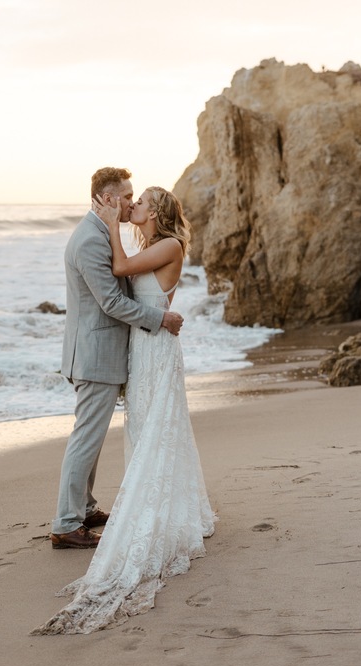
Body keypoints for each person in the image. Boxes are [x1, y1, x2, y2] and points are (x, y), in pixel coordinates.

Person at [31, 186, 216, 634]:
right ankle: (88, 510)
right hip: (141, 348)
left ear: (155, 212)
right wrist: (117, 227)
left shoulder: (166, 244)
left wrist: (114, 225)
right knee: (143, 428)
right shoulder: (144, 242)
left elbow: (120, 271)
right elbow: (119, 284)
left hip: (154, 349)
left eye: (140, 201)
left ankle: (101, 513)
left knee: (157, 428)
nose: (133, 205)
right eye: (127, 198)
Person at [50, 168, 184, 550]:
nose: (130, 201)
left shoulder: (99, 232)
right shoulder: (91, 240)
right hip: (95, 355)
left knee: (89, 438)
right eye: (126, 196)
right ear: (108, 199)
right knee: (86, 439)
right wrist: (160, 318)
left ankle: (85, 508)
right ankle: (66, 523)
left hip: (102, 352)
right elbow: (110, 301)